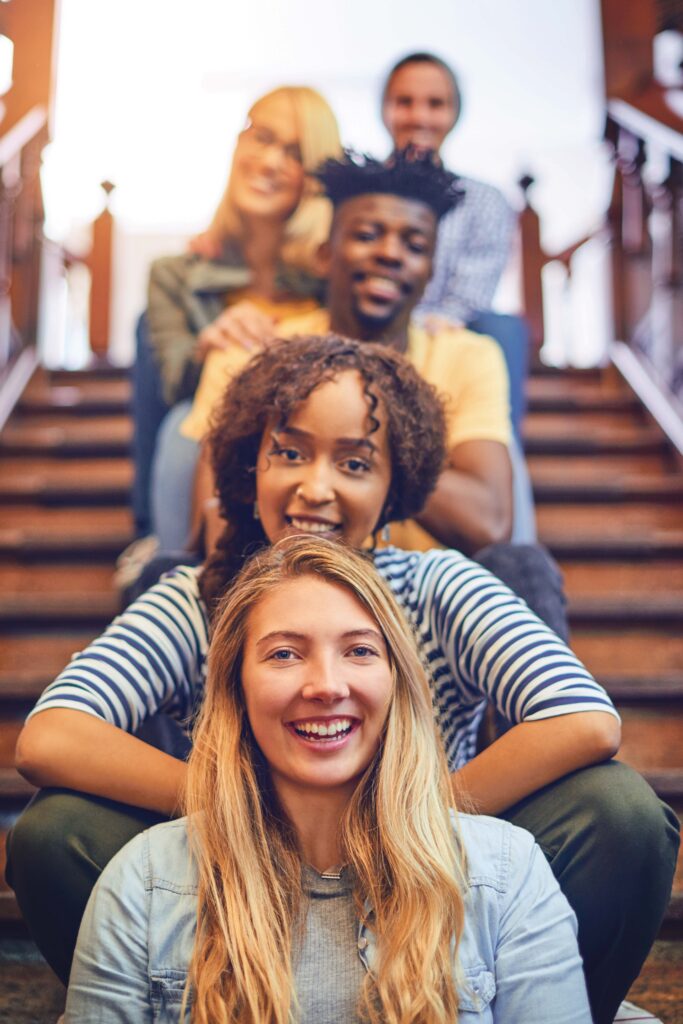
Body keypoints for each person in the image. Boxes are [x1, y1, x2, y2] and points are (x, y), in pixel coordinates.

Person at [9, 336, 678, 1024]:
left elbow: (585, 720)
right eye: (289, 453)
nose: (316, 486)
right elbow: (51, 737)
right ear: (249, 465)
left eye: (354, 462)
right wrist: (234, 803)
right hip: (243, 873)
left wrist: (403, 810)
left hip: (425, 872)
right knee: (54, 831)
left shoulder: (435, 582)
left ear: (395, 489)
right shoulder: (194, 599)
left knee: (621, 813)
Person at [64, 536, 592, 1023]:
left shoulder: (506, 874)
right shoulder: (143, 882)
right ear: (236, 689)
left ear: (396, 681)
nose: (325, 685)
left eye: (359, 650)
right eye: (284, 654)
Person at [167, 150, 514, 556]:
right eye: (367, 235)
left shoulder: (469, 357)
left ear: (430, 270)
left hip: (414, 596)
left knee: (522, 565)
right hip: (276, 586)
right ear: (325, 255)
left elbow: (489, 524)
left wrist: (370, 454)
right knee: (163, 571)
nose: (390, 253)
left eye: (415, 245)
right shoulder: (251, 352)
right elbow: (216, 526)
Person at [129, 85, 341, 543]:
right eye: (261, 137)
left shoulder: (339, 277)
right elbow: (170, 387)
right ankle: (168, 558)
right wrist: (207, 348)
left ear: (318, 173)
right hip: (205, 447)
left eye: (295, 152)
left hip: (312, 452)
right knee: (184, 417)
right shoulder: (176, 275)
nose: (269, 162)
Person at [381, 51, 515, 326]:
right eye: (404, 102)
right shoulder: (353, 196)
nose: (419, 117)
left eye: (435, 104)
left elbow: (464, 306)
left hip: (442, 340)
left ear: (454, 113)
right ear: (384, 109)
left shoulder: (484, 202)